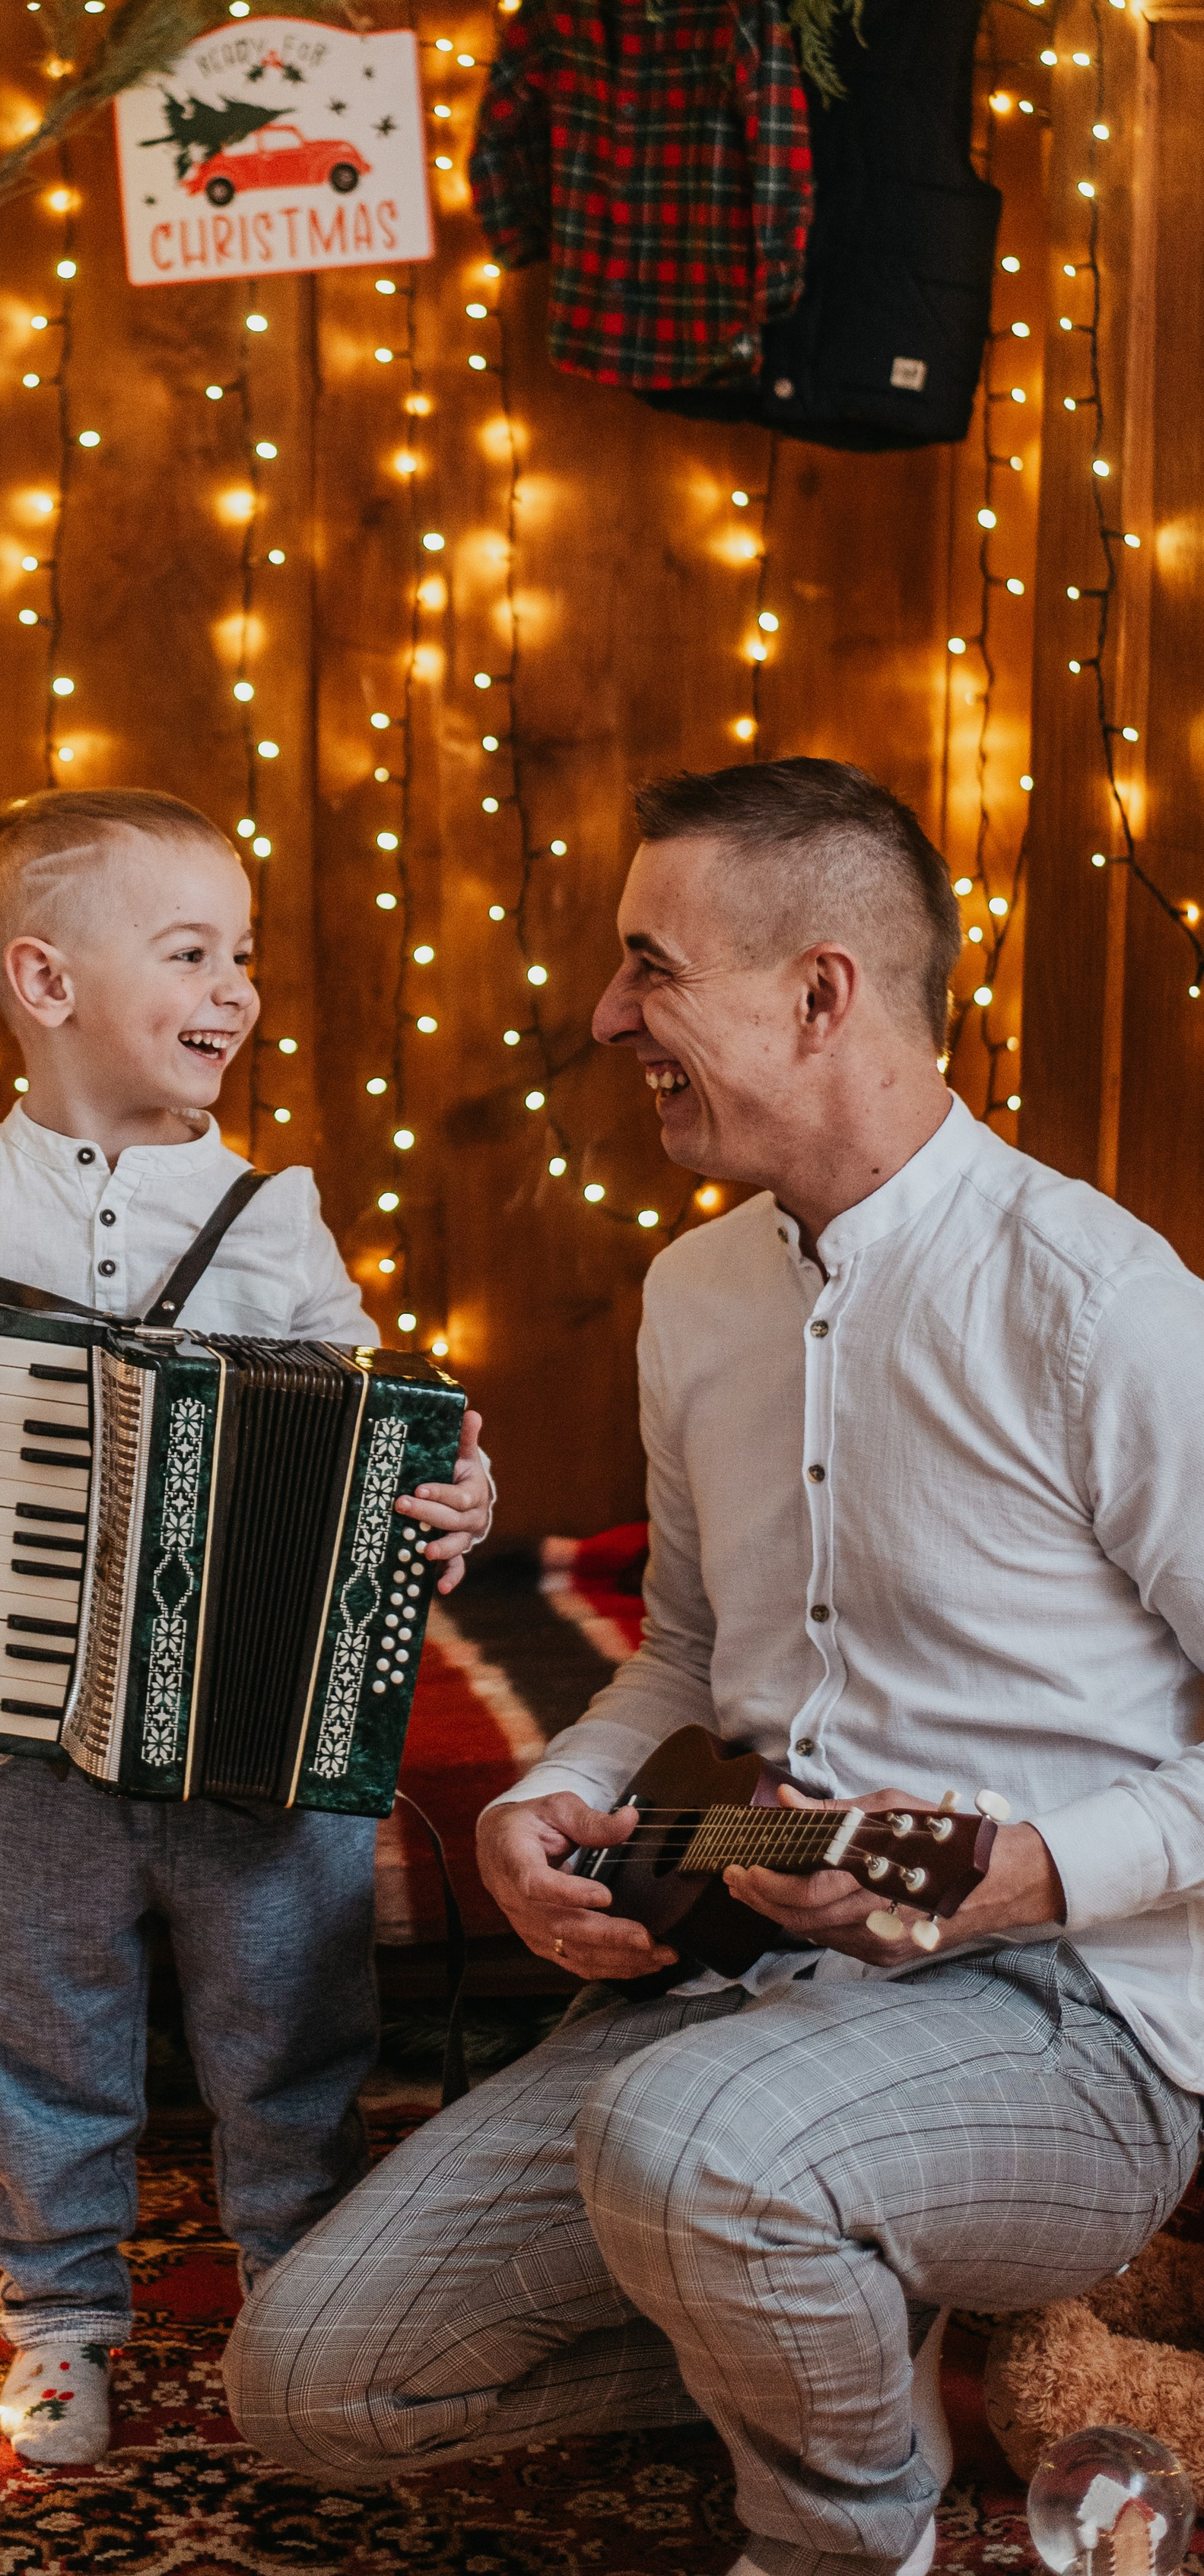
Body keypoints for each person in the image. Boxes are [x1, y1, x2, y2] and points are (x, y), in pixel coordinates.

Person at [224, 757, 1204, 2576]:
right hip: (732, 1977)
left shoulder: (1099, 1300)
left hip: (1071, 2033)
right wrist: (549, 1800)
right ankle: (820, 2310)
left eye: (648, 966)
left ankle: (847, 2535)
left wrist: (1041, 1869)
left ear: (816, 992)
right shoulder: (694, 1294)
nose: (609, 1017)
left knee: (688, 2140)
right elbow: (682, 1659)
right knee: (307, 2388)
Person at [0, 785, 494, 2464]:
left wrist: (449, 1497)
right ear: (45, 985)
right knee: (34, 2013)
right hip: (29, 1721)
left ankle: (298, 2287)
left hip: (243, 1728)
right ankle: (53, 2313)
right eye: (190, 952)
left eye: (240, 955)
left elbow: (370, 1418)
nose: (236, 990)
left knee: (289, 2014)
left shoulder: (272, 1219)